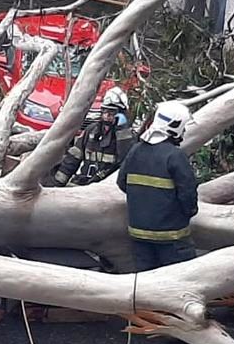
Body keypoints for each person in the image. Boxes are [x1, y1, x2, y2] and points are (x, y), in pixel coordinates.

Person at [116, 100, 199, 271]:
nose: (184, 131)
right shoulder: (175, 156)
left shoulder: (136, 150)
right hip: (172, 238)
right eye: (183, 127)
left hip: (139, 235)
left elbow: (122, 183)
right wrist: (188, 212)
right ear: (175, 126)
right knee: (178, 278)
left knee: (145, 280)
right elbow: (188, 194)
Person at [52, 86, 134, 186]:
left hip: (106, 188)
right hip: (84, 183)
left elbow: (126, 160)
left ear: (121, 114)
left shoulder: (127, 137)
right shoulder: (91, 131)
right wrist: (57, 184)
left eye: (111, 113)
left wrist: (122, 130)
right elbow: (73, 158)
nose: (106, 116)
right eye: (104, 111)